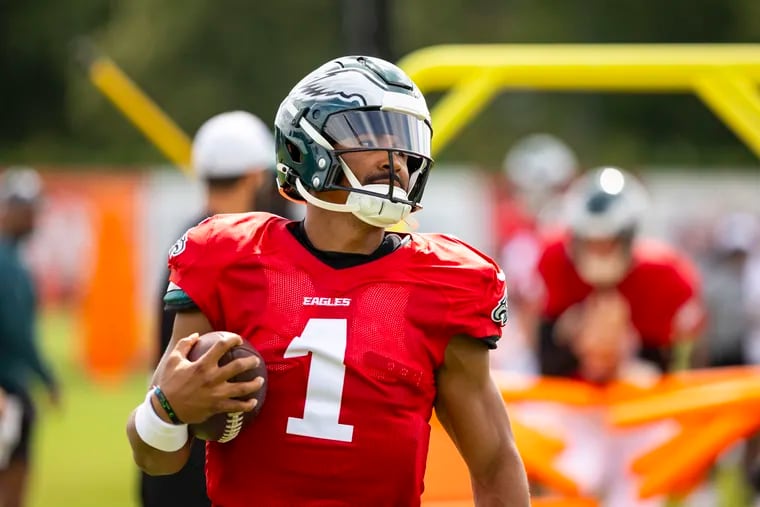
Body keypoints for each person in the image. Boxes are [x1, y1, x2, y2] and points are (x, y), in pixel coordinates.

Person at [126, 55, 530, 506]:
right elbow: (155, 459)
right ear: (307, 148)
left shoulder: (447, 282)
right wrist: (167, 411)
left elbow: (494, 462)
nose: (396, 157)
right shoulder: (229, 259)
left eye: (404, 136)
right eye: (372, 135)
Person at [521, 166, 704, 506]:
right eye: (591, 241)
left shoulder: (664, 276)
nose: (599, 252)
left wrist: (625, 362)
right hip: (572, 404)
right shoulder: (554, 260)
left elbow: (674, 354)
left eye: (608, 242)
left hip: (634, 406)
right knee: (564, 480)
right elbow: (544, 350)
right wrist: (576, 336)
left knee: (642, 487)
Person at [140, 110, 276, 507]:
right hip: (218, 445)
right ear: (256, 176)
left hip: (167, 435)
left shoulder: (187, 240)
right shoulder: (238, 250)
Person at [0, 167, 60, 507]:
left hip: (10, 388)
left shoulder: (14, 262)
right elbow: (17, 331)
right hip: (7, 390)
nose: (36, 219)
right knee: (12, 484)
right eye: (30, 210)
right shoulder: (9, 267)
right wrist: (46, 377)